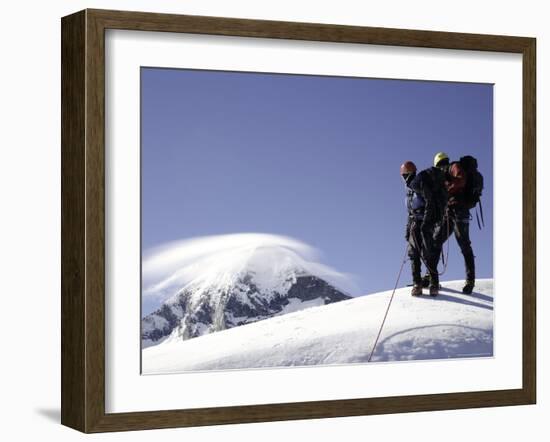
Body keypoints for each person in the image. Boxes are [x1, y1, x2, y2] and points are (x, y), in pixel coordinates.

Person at [432, 152, 476, 294]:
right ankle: (431, 274)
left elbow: (461, 180)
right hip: (450, 212)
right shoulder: (445, 175)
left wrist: (446, 191)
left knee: (464, 244)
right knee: (436, 240)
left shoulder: (454, 167)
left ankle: (470, 280)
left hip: (459, 211)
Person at [401, 161, 446, 296]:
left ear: (405, 174)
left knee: (423, 253)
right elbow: (411, 211)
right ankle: (425, 284)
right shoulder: (411, 186)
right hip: (417, 223)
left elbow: (429, 202)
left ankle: (424, 284)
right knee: (419, 253)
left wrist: (426, 223)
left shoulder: (417, 183)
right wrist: (408, 228)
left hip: (423, 223)